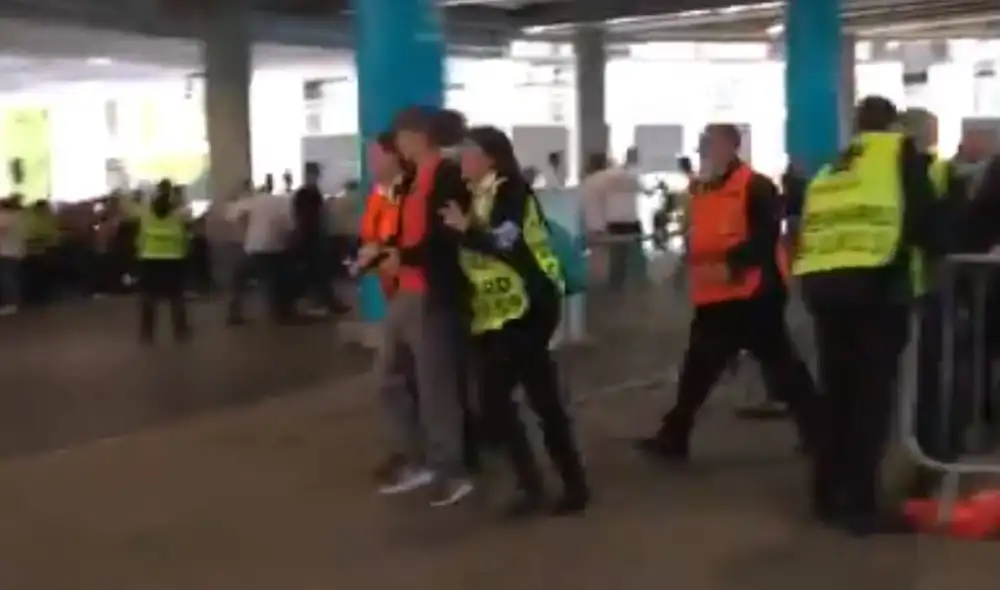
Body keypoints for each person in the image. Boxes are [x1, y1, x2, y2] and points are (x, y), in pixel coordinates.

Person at [794, 96, 946, 536]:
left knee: (837, 394)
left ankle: (826, 494)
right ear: (894, 125)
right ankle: (860, 503)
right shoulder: (898, 154)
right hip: (875, 289)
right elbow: (924, 217)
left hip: (824, 287)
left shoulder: (837, 165)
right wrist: (944, 247)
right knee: (870, 400)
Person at [634, 123, 818, 462]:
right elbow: (699, 234)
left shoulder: (755, 185)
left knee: (781, 369)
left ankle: (820, 434)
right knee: (701, 369)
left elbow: (765, 236)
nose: (704, 149)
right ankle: (674, 437)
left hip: (754, 295)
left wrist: (734, 264)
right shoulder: (701, 189)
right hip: (715, 296)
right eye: (703, 143)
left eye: (710, 143)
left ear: (731, 146)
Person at [441, 125, 590, 517]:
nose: (461, 161)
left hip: (528, 309)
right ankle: (538, 484)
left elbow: (505, 242)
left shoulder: (511, 191)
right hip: (497, 313)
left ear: (490, 157)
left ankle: (566, 485)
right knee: (501, 401)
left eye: (468, 153)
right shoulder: (478, 195)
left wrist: (467, 229)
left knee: (536, 399)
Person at [363, 106, 474, 507]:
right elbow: (409, 234)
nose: (397, 145)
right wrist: (387, 253)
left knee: (434, 385)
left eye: (401, 136)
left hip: (433, 293)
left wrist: (405, 257)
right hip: (406, 292)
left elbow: (447, 240)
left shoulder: (447, 176)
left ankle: (450, 469)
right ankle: (415, 456)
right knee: (390, 377)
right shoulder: (413, 179)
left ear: (419, 136)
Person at [225, 179, 293, 325]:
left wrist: (245, 228)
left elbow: (231, 215)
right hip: (277, 249)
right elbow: (290, 225)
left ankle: (235, 312)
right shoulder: (283, 201)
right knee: (273, 280)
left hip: (255, 249)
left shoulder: (253, 201)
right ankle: (278, 312)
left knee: (239, 277)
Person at [135, 180, 191, 343]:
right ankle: (180, 332)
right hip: (173, 261)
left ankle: (147, 333)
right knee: (176, 298)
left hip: (150, 261)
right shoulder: (176, 221)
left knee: (148, 298)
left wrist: (140, 254)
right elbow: (183, 240)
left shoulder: (147, 220)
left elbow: (140, 240)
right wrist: (183, 255)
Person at [581, 149, 644, 291]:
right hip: (617, 220)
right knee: (624, 252)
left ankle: (612, 282)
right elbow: (637, 186)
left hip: (602, 222)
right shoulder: (613, 176)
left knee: (612, 255)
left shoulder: (590, 181)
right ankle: (626, 281)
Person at [291, 165, 347, 317]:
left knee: (318, 271)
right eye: (314, 174)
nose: (315, 178)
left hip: (313, 235)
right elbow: (304, 216)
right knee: (317, 271)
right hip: (308, 236)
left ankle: (326, 302)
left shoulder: (312, 193)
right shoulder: (305, 194)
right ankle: (325, 302)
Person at [0, 195, 24, 315]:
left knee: (6, 278)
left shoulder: (4, 217)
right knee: (9, 277)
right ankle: (11, 302)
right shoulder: (20, 217)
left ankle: (10, 303)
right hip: (15, 251)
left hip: (6, 252)